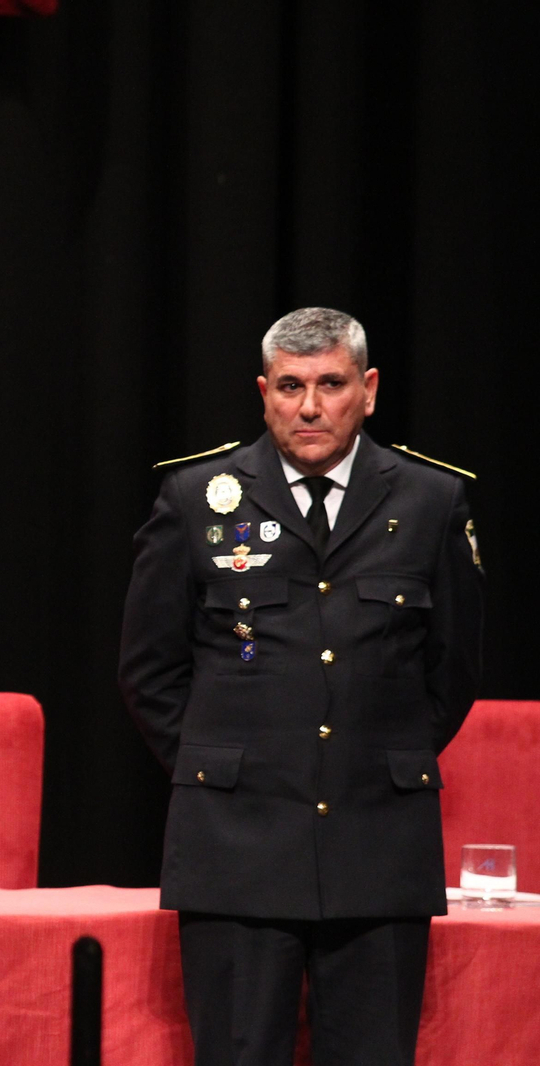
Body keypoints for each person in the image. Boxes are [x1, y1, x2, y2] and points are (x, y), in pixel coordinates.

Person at [119, 307, 483, 1066]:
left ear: (369, 389)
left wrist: (373, 755)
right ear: (263, 391)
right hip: (235, 846)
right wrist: (225, 767)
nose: (309, 406)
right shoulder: (195, 497)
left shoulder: (430, 501)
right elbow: (150, 669)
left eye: (330, 384)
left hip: (378, 842)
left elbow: (453, 671)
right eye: (289, 386)